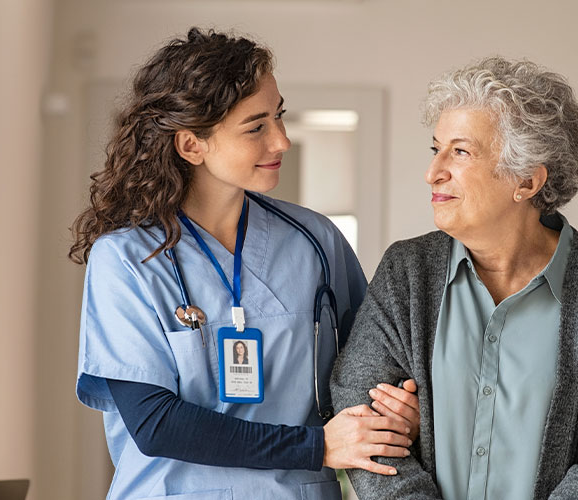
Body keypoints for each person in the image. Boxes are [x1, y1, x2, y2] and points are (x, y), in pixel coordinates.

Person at [70, 27, 420, 499]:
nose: (281, 141)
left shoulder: (315, 241)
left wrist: (395, 407)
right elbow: (155, 422)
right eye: (256, 127)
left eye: (279, 117)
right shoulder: (129, 259)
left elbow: (373, 368)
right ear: (192, 144)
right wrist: (315, 447)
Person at [331, 56, 578, 499]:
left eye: (461, 151)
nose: (433, 172)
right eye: (437, 149)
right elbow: (363, 417)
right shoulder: (407, 272)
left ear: (526, 181)